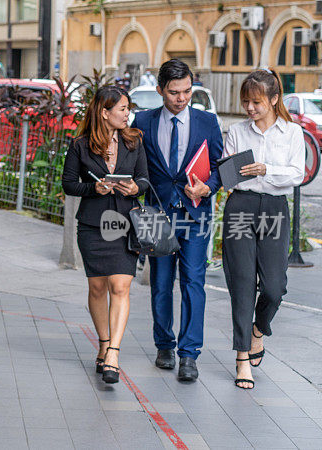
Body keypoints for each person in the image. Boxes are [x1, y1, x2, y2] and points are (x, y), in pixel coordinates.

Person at [131, 59, 223, 382]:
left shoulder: (207, 122)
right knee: (160, 284)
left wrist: (207, 187)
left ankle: (189, 354)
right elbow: (135, 166)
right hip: (158, 215)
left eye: (187, 91)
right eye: (173, 92)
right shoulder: (142, 121)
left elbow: (220, 169)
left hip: (195, 215)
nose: (181, 98)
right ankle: (164, 345)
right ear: (160, 91)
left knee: (193, 282)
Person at [222, 69, 304, 389]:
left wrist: (266, 169)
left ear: (273, 99)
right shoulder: (237, 132)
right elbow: (229, 173)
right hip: (240, 206)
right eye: (246, 102)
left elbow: (296, 174)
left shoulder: (291, 133)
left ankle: (258, 330)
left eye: (257, 102)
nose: (250, 108)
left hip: (274, 209)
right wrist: (236, 172)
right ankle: (243, 358)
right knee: (242, 285)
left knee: (274, 287)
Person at [62, 85, 148, 384]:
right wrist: (93, 188)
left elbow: (145, 178)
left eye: (128, 109)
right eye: (123, 109)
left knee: (120, 286)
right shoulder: (81, 145)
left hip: (125, 224)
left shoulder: (135, 140)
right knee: (98, 288)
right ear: (104, 112)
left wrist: (136, 187)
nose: (128, 114)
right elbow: (69, 183)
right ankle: (102, 343)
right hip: (92, 226)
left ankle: (113, 352)